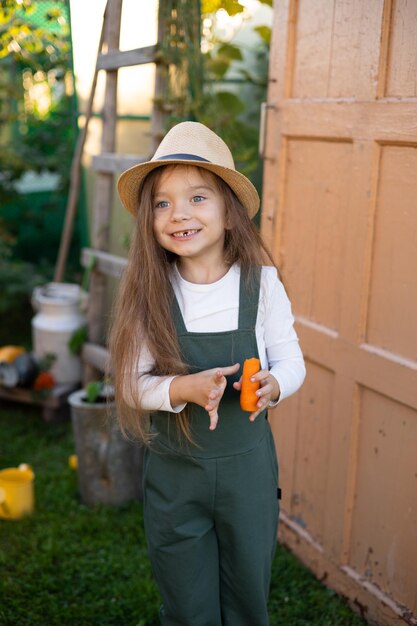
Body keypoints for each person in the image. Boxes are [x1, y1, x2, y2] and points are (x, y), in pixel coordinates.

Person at [109, 121, 305, 626]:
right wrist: (182, 388)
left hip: (248, 476)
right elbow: (130, 383)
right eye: (162, 203)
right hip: (177, 477)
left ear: (229, 213)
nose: (179, 215)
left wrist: (274, 384)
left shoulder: (261, 285)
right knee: (187, 601)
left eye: (197, 197)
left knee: (246, 596)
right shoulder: (151, 290)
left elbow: (291, 360)